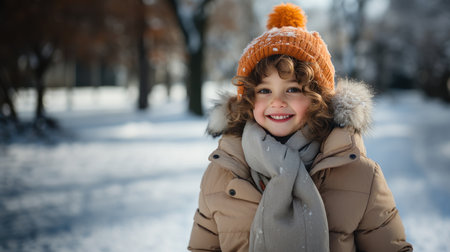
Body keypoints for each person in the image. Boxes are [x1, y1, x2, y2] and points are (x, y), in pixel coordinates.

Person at [188, 3, 413, 252]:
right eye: (264, 90)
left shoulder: (359, 174)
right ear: (248, 100)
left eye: (293, 89)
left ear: (319, 98)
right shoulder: (223, 173)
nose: (277, 102)